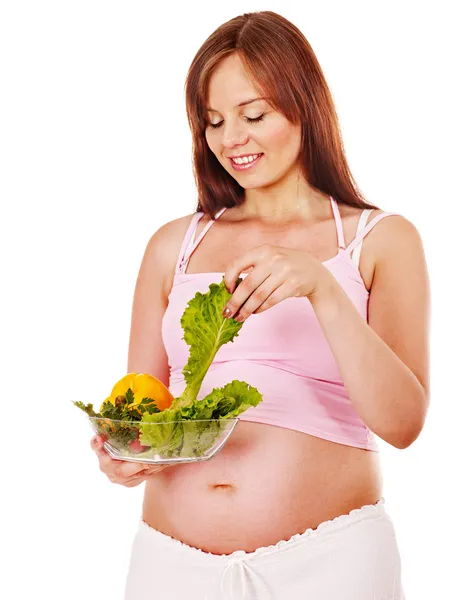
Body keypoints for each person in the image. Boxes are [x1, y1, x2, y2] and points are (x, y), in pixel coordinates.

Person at [90, 10, 430, 600]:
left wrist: (321, 289)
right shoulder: (173, 245)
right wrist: (122, 451)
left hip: (331, 562)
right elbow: (146, 406)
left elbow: (403, 424)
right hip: (172, 564)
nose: (231, 140)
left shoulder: (379, 241)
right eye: (214, 121)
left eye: (254, 115)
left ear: (305, 106)